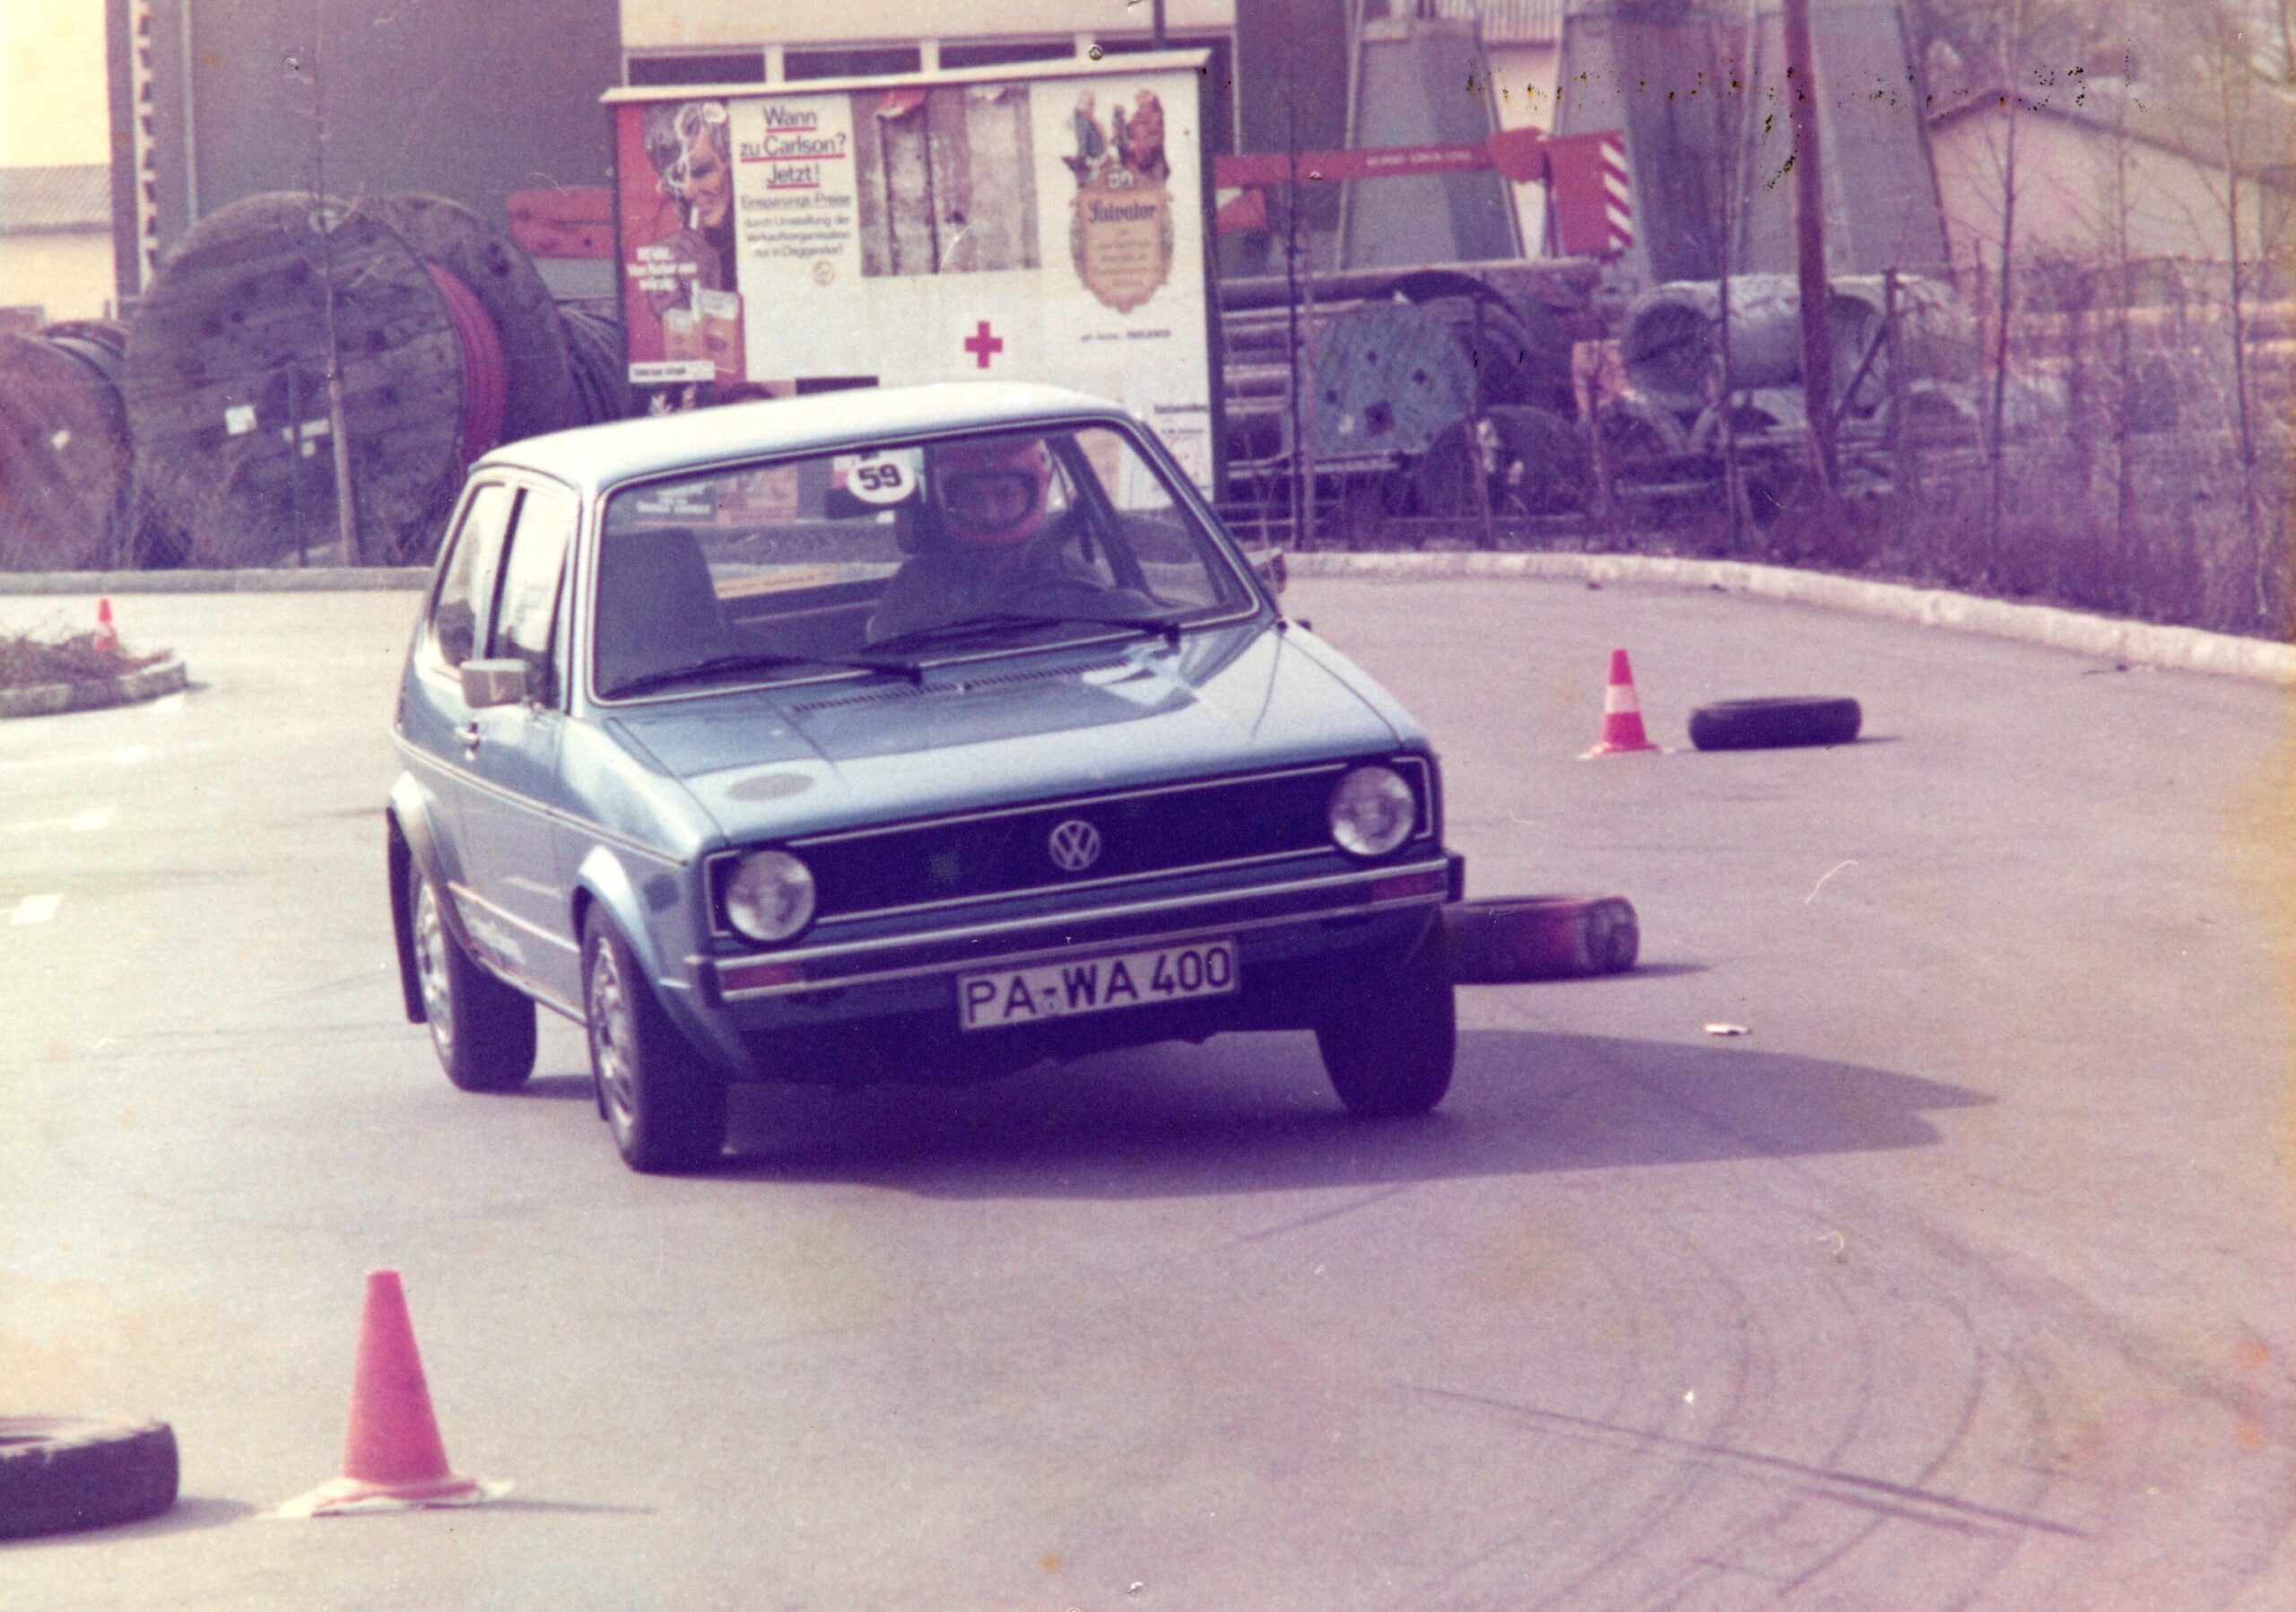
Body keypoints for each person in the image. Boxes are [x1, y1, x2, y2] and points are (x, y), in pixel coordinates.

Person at [865, 436, 1156, 643]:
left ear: (1035, 493)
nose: (990, 513)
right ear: (950, 500)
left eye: (1005, 494)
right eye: (974, 497)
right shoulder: (916, 581)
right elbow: (887, 657)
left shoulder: (1077, 575)